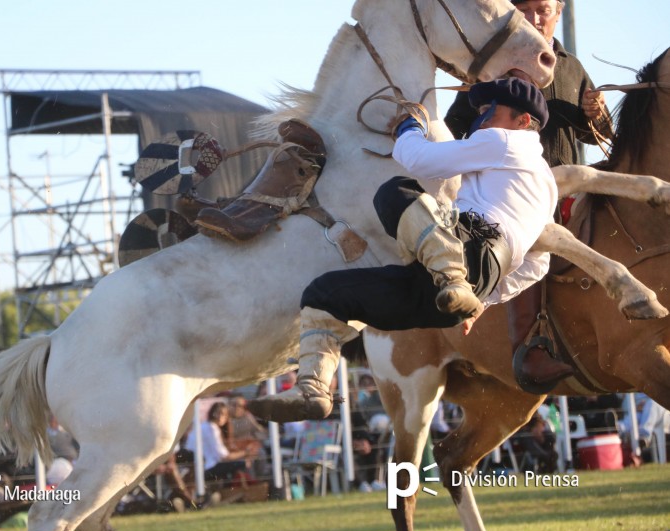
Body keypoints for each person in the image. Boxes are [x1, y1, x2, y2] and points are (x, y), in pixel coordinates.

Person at [250, 77, 557, 423]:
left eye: (490, 110)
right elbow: (538, 264)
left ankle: (451, 276)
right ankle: (314, 389)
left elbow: (421, 160)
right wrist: (482, 300)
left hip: (465, 250)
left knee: (396, 191)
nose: (481, 118)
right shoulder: (546, 187)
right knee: (323, 293)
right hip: (456, 289)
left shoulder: (505, 140)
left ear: (524, 121)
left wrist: (408, 128)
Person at [445, 0, 613, 394]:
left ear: (558, 12)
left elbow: (600, 135)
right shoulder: (493, 65)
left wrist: (597, 114)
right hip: (511, 201)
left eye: (545, 9)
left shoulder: (571, 67)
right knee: (528, 242)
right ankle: (528, 349)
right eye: (527, 9)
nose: (537, 18)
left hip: (568, 192)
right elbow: (455, 128)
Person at [184, 401, 259, 486]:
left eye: (223, 414)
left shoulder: (206, 426)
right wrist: (246, 452)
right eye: (218, 413)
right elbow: (224, 456)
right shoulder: (212, 429)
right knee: (244, 463)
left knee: (237, 463)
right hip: (204, 469)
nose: (220, 417)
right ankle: (250, 487)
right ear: (212, 413)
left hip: (199, 466)